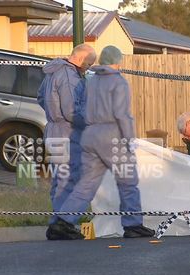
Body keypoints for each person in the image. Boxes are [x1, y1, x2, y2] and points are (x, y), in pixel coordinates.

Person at [48, 46, 155, 239]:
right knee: (127, 181)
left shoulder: (91, 80)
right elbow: (122, 114)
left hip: (89, 135)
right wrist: (129, 139)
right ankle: (133, 224)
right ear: (117, 60)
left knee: (86, 183)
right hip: (111, 136)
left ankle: (63, 221)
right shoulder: (118, 82)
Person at [38, 44, 96, 240]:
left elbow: (40, 97)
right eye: (88, 64)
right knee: (73, 179)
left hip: (53, 131)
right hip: (67, 133)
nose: (87, 69)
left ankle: (58, 223)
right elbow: (72, 111)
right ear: (80, 60)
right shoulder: (70, 77)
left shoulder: (52, 72)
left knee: (60, 180)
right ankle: (64, 223)